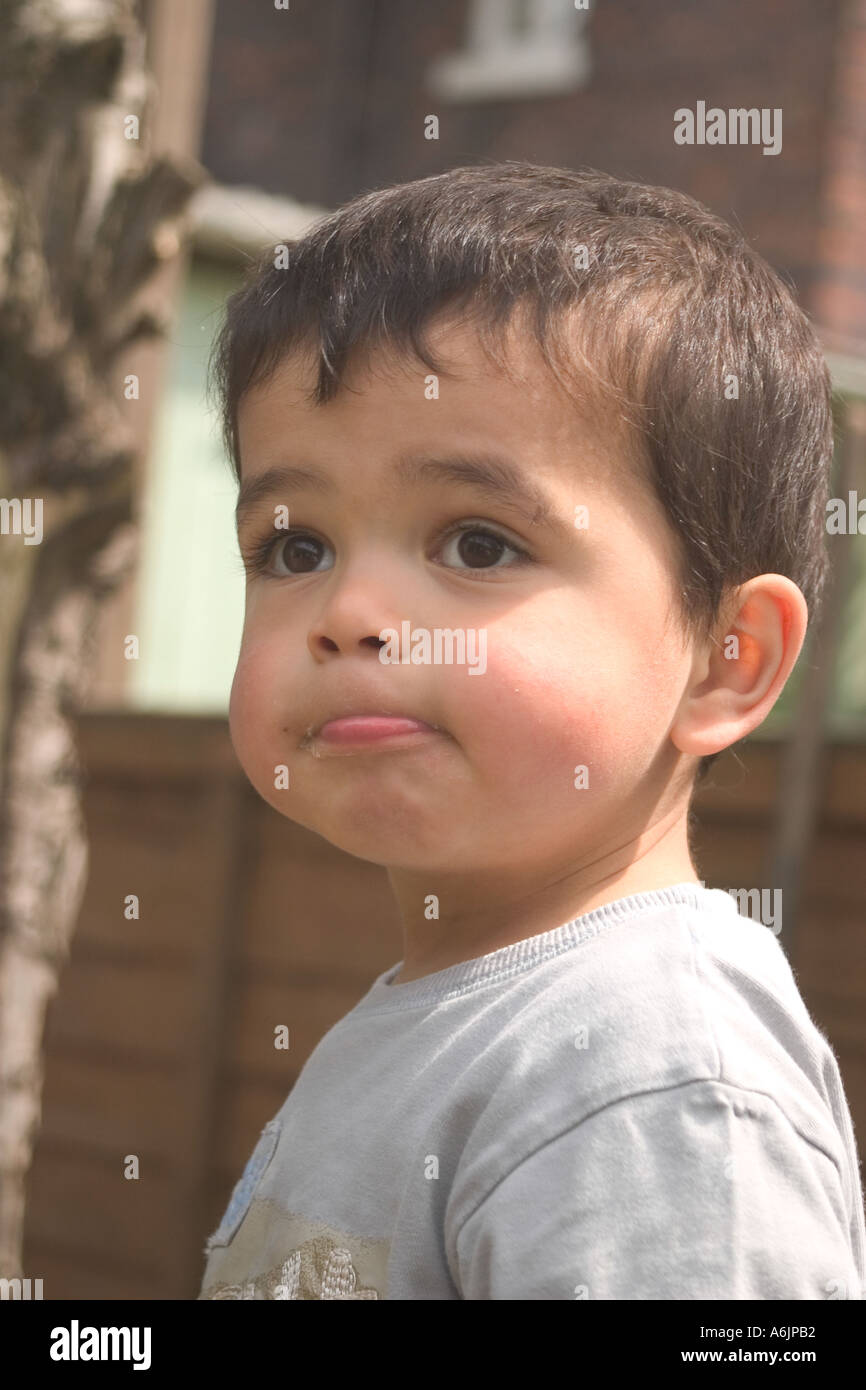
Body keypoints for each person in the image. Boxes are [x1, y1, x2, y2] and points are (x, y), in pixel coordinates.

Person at [197, 162, 865, 1299]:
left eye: (475, 543)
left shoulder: (649, 1080)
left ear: (725, 658)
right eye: (295, 545)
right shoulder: (471, 1018)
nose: (348, 616)